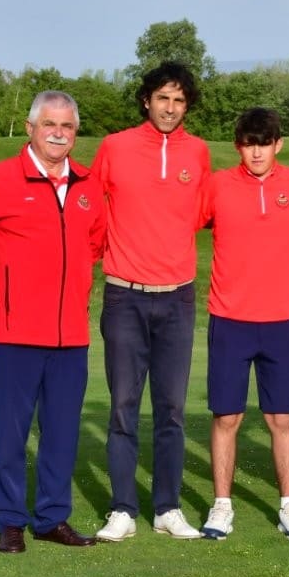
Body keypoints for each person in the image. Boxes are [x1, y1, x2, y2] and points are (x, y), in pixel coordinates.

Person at [0, 90, 105, 553]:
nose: (59, 133)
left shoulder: (87, 185)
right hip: (16, 333)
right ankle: (12, 521)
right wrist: (0, 292)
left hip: (70, 336)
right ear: (31, 128)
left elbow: (94, 244)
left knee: (61, 433)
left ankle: (52, 519)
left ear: (75, 133)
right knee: (10, 432)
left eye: (68, 127)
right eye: (50, 125)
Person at [196, 107, 289, 540]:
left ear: (278, 144)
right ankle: (222, 506)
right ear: (239, 145)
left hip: (279, 321)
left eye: (264, 142)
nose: (256, 152)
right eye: (248, 143)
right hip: (229, 318)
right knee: (227, 418)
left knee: (281, 419)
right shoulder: (218, 185)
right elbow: (180, 221)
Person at [92, 63, 209, 543]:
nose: (171, 108)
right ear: (146, 100)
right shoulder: (115, 147)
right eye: (163, 98)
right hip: (124, 296)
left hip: (177, 299)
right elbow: (91, 211)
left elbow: (205, 213)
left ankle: (167, 508)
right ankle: (122, 508)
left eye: (179, 101)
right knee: (123, 407)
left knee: (172, 409)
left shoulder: (198, 153)